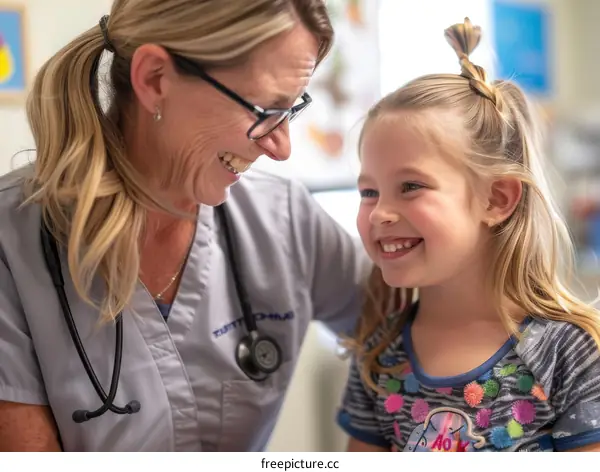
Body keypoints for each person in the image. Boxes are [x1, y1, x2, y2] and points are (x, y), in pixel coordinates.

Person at [0, 0, 371, 452]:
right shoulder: (13, 240)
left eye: (291, 109)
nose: (282, 148)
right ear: (155, 80)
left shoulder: (283, 219)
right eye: (263, 109)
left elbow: (411, 326)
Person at [335, 17, 600, 452]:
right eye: (368, 191)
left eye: (411, 186)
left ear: (496, 199)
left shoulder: (569, 352)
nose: (380, 212)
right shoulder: (378, 354)